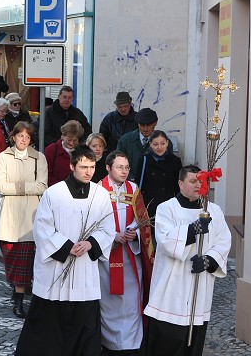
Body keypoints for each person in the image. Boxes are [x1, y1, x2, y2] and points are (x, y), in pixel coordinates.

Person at [15, 145, 116, 356]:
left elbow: (108, 227)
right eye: (83, 167)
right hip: (56, 271)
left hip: (84, 272)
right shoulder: (54, 193)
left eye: (92, 166)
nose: (89, 172)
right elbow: (42, 229)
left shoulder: (101, 195)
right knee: (48, 328)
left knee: (85, 326)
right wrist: (67, 247)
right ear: (72, 166)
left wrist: (91, 243)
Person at [141, 165, 231, 356]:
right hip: (171, 287)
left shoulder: (213, 211)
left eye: (201, 181)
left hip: (200, 288)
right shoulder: (166, 208)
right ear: (180, 183)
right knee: (165, 344)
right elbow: (165, 241)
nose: (198, 185)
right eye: (192, 181)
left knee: (193, 344)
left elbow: (224, 240)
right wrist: (192, 230)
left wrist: (209, 260)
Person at [98, 151, 153, 355]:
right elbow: (92, 224)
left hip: (130, 256)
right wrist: (113, 235)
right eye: (119, 167)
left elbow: (143, 221)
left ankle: (131, 343)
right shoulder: (98, 190)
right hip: (107, 257)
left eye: (127, 167)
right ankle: (109, 342)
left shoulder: (134, 189)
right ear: (108, 168)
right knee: (110, 299)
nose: (124, 171)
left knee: (131, 299)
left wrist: (134, 231)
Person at [0, 121, 48, 318]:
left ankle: (18, 301)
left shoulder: (38, 158)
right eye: (20, 136)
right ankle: (15, 287)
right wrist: (27, 187)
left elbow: (42, 186)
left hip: (30, 216)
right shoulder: (4, 156)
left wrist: (15, 187)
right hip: (9, 214)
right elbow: (0, 186)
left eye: (27, 137)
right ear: (14, 137)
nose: (23, 140)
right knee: (10, 256)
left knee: (25, 261)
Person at [135, 130, 182, 219]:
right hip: (150, 206)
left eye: (162, 143)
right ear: (150, 144)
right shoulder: (144, 160)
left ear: (167, 143)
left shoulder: (175, 161)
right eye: (155, 144)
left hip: (169, 205)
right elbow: (139, 185)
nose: (159, 147)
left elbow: (178, 186)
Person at [117, 107, 172, 181]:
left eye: (149, 125)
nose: (145, 129)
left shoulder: (165, 143)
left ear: (155, 123)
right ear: (138, 124)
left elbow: (169, 167)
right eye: (142, 125)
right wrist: (130, 178)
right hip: (129, 184)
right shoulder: (125, 140)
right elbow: (118, 163)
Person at [45, 120, 83, 186]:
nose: (71, 143)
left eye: (75, 140)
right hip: (55, 189)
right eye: (69, 139)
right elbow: (47, 173)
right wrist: (61, 187)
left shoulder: (81, 152)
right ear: (62, 136)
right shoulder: (51, 150)